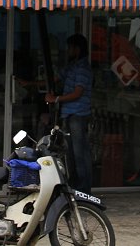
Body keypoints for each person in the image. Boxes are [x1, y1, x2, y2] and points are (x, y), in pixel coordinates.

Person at [45, 34, 92, 194]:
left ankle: (84, 189)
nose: (68, 50)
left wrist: (56, 99)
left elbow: (78, 93)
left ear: (77, 49)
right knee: (70, 154)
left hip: (78, 115)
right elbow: (57, 78)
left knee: (79, 154)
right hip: (69, 115)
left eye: (70, 47)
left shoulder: (83, 68)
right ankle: (74, 186)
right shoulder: (72, 66)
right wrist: (30, 83)